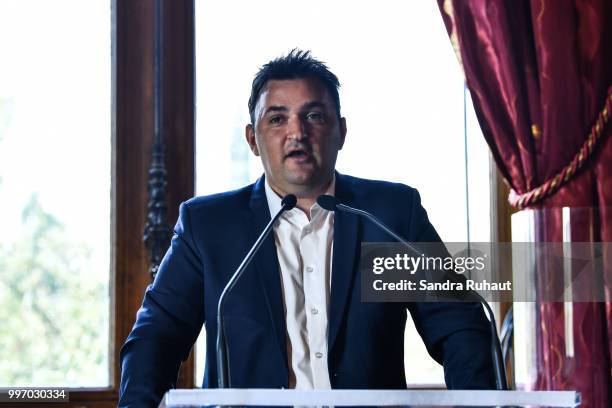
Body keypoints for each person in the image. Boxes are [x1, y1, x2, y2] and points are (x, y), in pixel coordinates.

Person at [118, 49, 495, 407]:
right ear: (253, 139)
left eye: (314, 116)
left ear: (341, 131)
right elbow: (156, 338)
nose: (297, 132)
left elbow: (459, 328)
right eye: (277, 118)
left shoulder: (390, 215)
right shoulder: (209, 226)